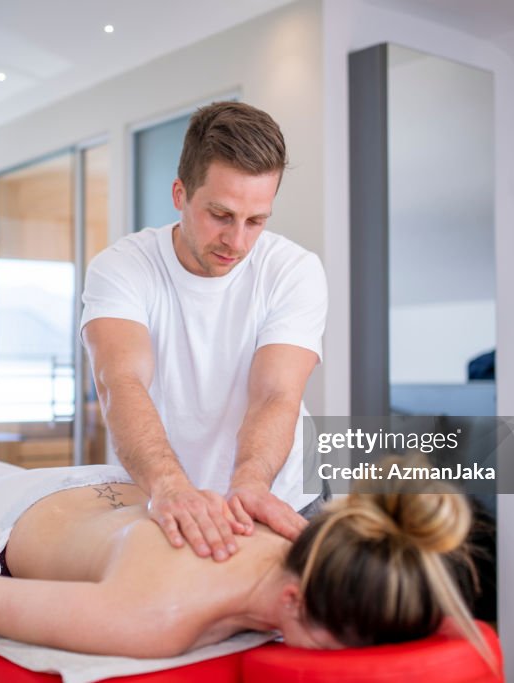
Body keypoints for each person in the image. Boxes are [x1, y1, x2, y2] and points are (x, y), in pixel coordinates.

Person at [0, 458, 496, 672]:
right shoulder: (160, 616)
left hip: (109, 487)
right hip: (11, 514)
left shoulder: (304, 533)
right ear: (294, 604)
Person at [81, 101, 328, 564]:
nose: (237, 241)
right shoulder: (122, 268)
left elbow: (276, 393)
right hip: (164, 495)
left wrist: (251, 484)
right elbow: (122, 382)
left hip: (282, 494)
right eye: (221, 215)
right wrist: (169, 484)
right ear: (180, 194)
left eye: (256, 221)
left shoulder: (294, 270)